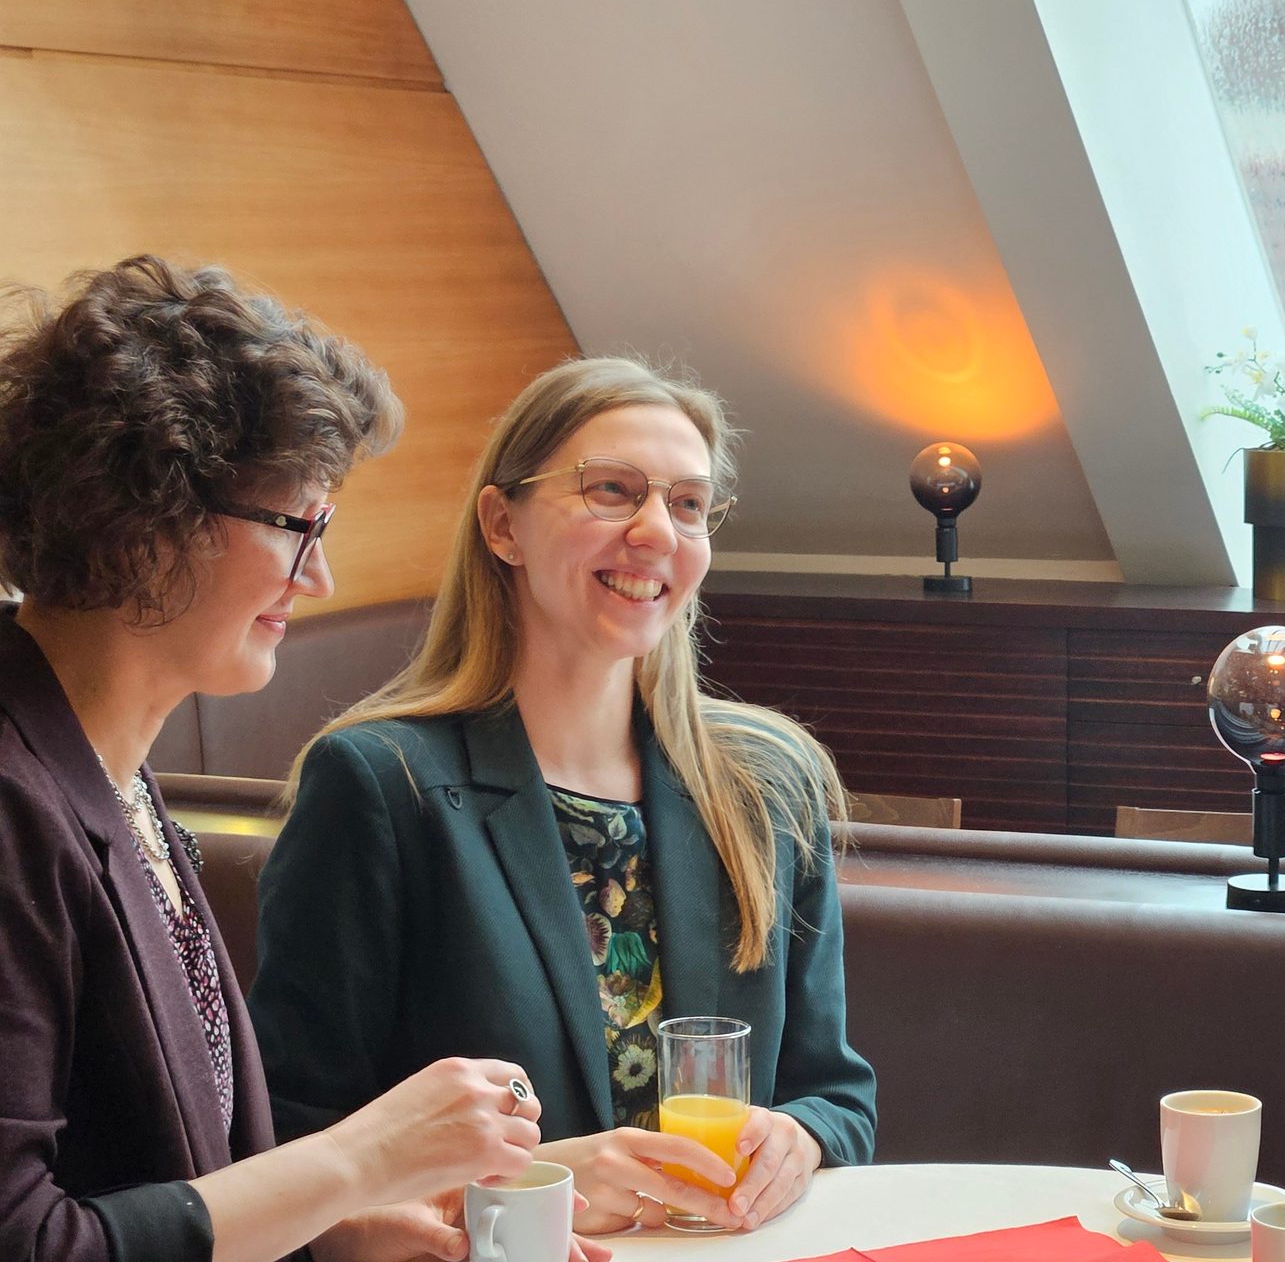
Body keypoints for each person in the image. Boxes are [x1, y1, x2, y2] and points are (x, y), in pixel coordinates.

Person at [0, 257, 578, 1262]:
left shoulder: (109, 773)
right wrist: (355, 1162)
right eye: (298, 523)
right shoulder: (13, 803)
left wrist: (332, 1234)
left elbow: (157, 1184)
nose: (321, 574)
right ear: (145, 522)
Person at [249, 355, 878, 1237]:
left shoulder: (768, 783)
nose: (658, 531)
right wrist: (532, 1182)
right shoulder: (378, 784)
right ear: (501, 525)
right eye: (613, 491)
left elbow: (834, 1091)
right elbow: (289, 1148)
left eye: (689, 504)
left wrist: (800, 1139)